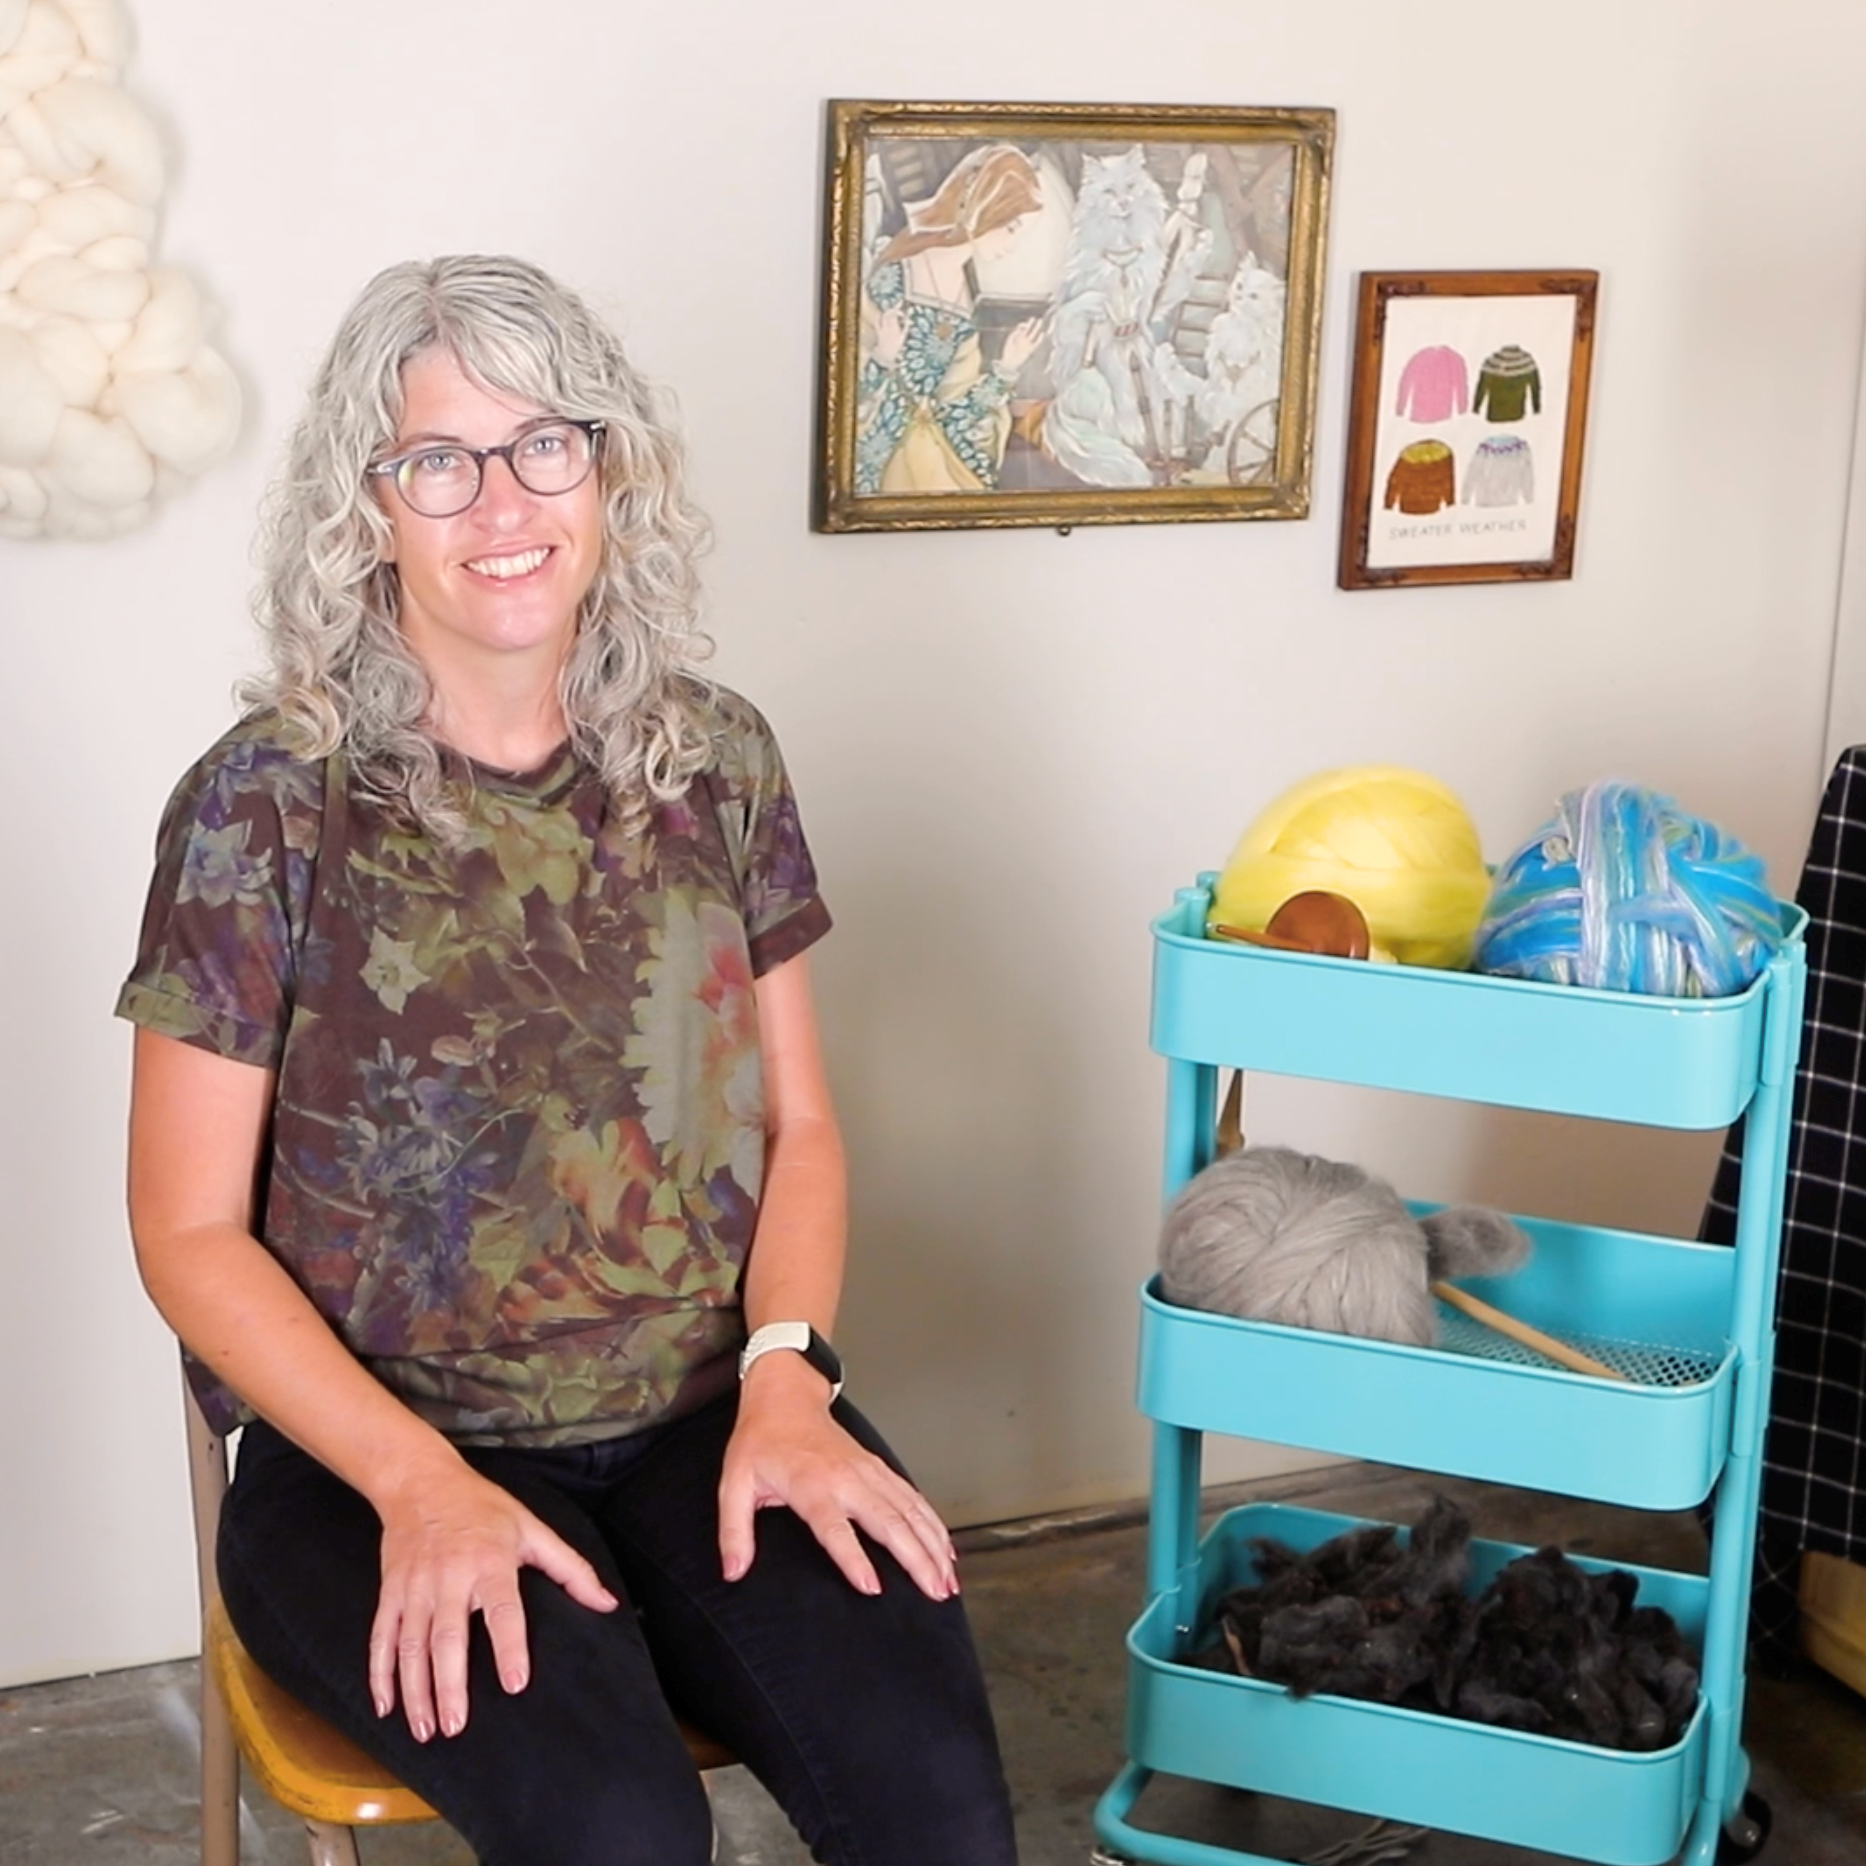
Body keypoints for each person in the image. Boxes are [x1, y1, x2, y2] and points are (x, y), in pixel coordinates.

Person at [118, 254, 1019, 1866]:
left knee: (933, 1804)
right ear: (365, 506)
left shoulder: (716, 761)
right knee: (620, 1833)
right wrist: (417, 1483)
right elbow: (186, 1233)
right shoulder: (264, 804)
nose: (500, 500)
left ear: (610, 471)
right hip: (367, 1452)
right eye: (437, 460)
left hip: (703, 1415)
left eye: (547, 442)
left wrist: (788, 1375)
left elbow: (797, 1130)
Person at [854, 143, 1047, 495]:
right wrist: (882, 358)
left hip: (936, 453)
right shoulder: (895, 274)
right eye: (1012, 227)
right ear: (983, 209)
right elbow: (847, 390)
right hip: (882, 453)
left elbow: (956, 410)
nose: (1013, 245)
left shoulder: (964, 298)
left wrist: (1008, 365)